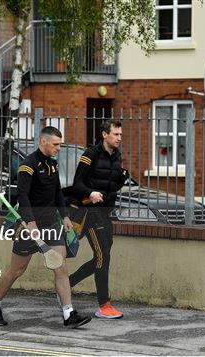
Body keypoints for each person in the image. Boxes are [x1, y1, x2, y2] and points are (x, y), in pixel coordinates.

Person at [0, 126, 91, 329]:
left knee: (60, 267)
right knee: (17, 270)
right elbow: (22, 196)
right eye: (56, 144)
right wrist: (30, 223)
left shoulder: (53, 164)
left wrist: (65, 216)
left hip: (51, 223)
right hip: (28, 226)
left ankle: (69, 313)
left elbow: (57, 192)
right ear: (44, 142)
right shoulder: (28, 166)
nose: (59, 148)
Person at [69, 119, 128, 319]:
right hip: (89, 212)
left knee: (102, 258)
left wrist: (121, 179)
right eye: (116, 134)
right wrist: (91, 193)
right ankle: (104, 305)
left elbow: (111, 185)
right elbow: (77, 184)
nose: (119, 138)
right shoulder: (90, 154)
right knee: (103, 257)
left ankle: (67, 284)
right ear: (105, 134)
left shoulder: (116, 156)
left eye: (120, 134)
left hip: (105, 213)